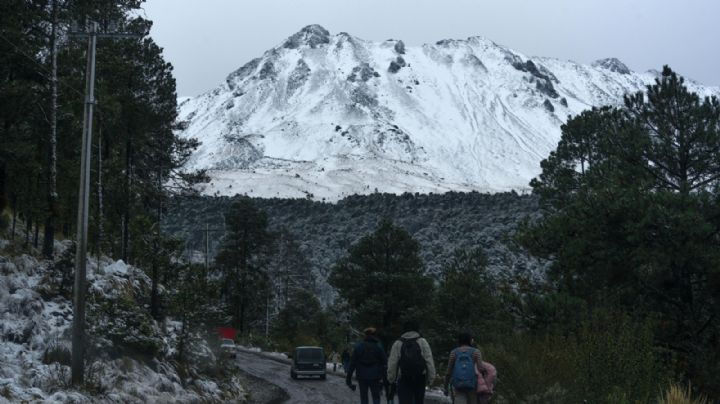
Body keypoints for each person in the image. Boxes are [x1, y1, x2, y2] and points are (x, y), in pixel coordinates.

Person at [387, 321, 436, 404]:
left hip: (403, 377)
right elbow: (429, 361)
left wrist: (391, 379)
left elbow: (392, 363)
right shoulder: (422, 341)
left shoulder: (398, 343)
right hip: (420, 377)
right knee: (418, 401)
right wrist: (431, 378)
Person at [346, 327, 388, 404]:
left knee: (364, 397)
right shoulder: (378, 347)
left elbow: (352, 363)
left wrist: (348, 379)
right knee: (376, 397)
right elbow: (385, 362)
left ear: (365, 335)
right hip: (375, 377)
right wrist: (383, 377)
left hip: (362, 376)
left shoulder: (359, 347)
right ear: (374, 335)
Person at [443, 332, 483, 404]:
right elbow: (480, 369)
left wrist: (445, 387)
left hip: (458, 383)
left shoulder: (454, 352)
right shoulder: (476, 352)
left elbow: (448, 372)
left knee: (459, 398)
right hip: (472, 383)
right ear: (470, 340)